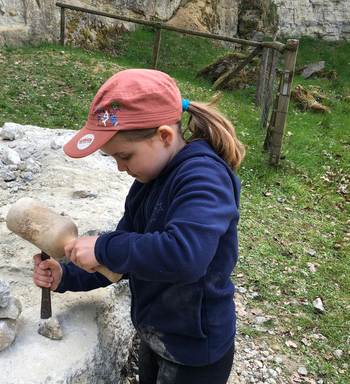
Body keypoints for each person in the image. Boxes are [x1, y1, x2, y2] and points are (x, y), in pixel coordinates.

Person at [33, 69, 245, 384]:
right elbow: (122, 256)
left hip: (196, 349)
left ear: (164, 136)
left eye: (125, 156)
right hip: (155, 332)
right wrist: (67, 276)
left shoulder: (204, 177)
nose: (120, 167)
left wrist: (104, 246)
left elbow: (185, 257)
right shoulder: (147, 180)